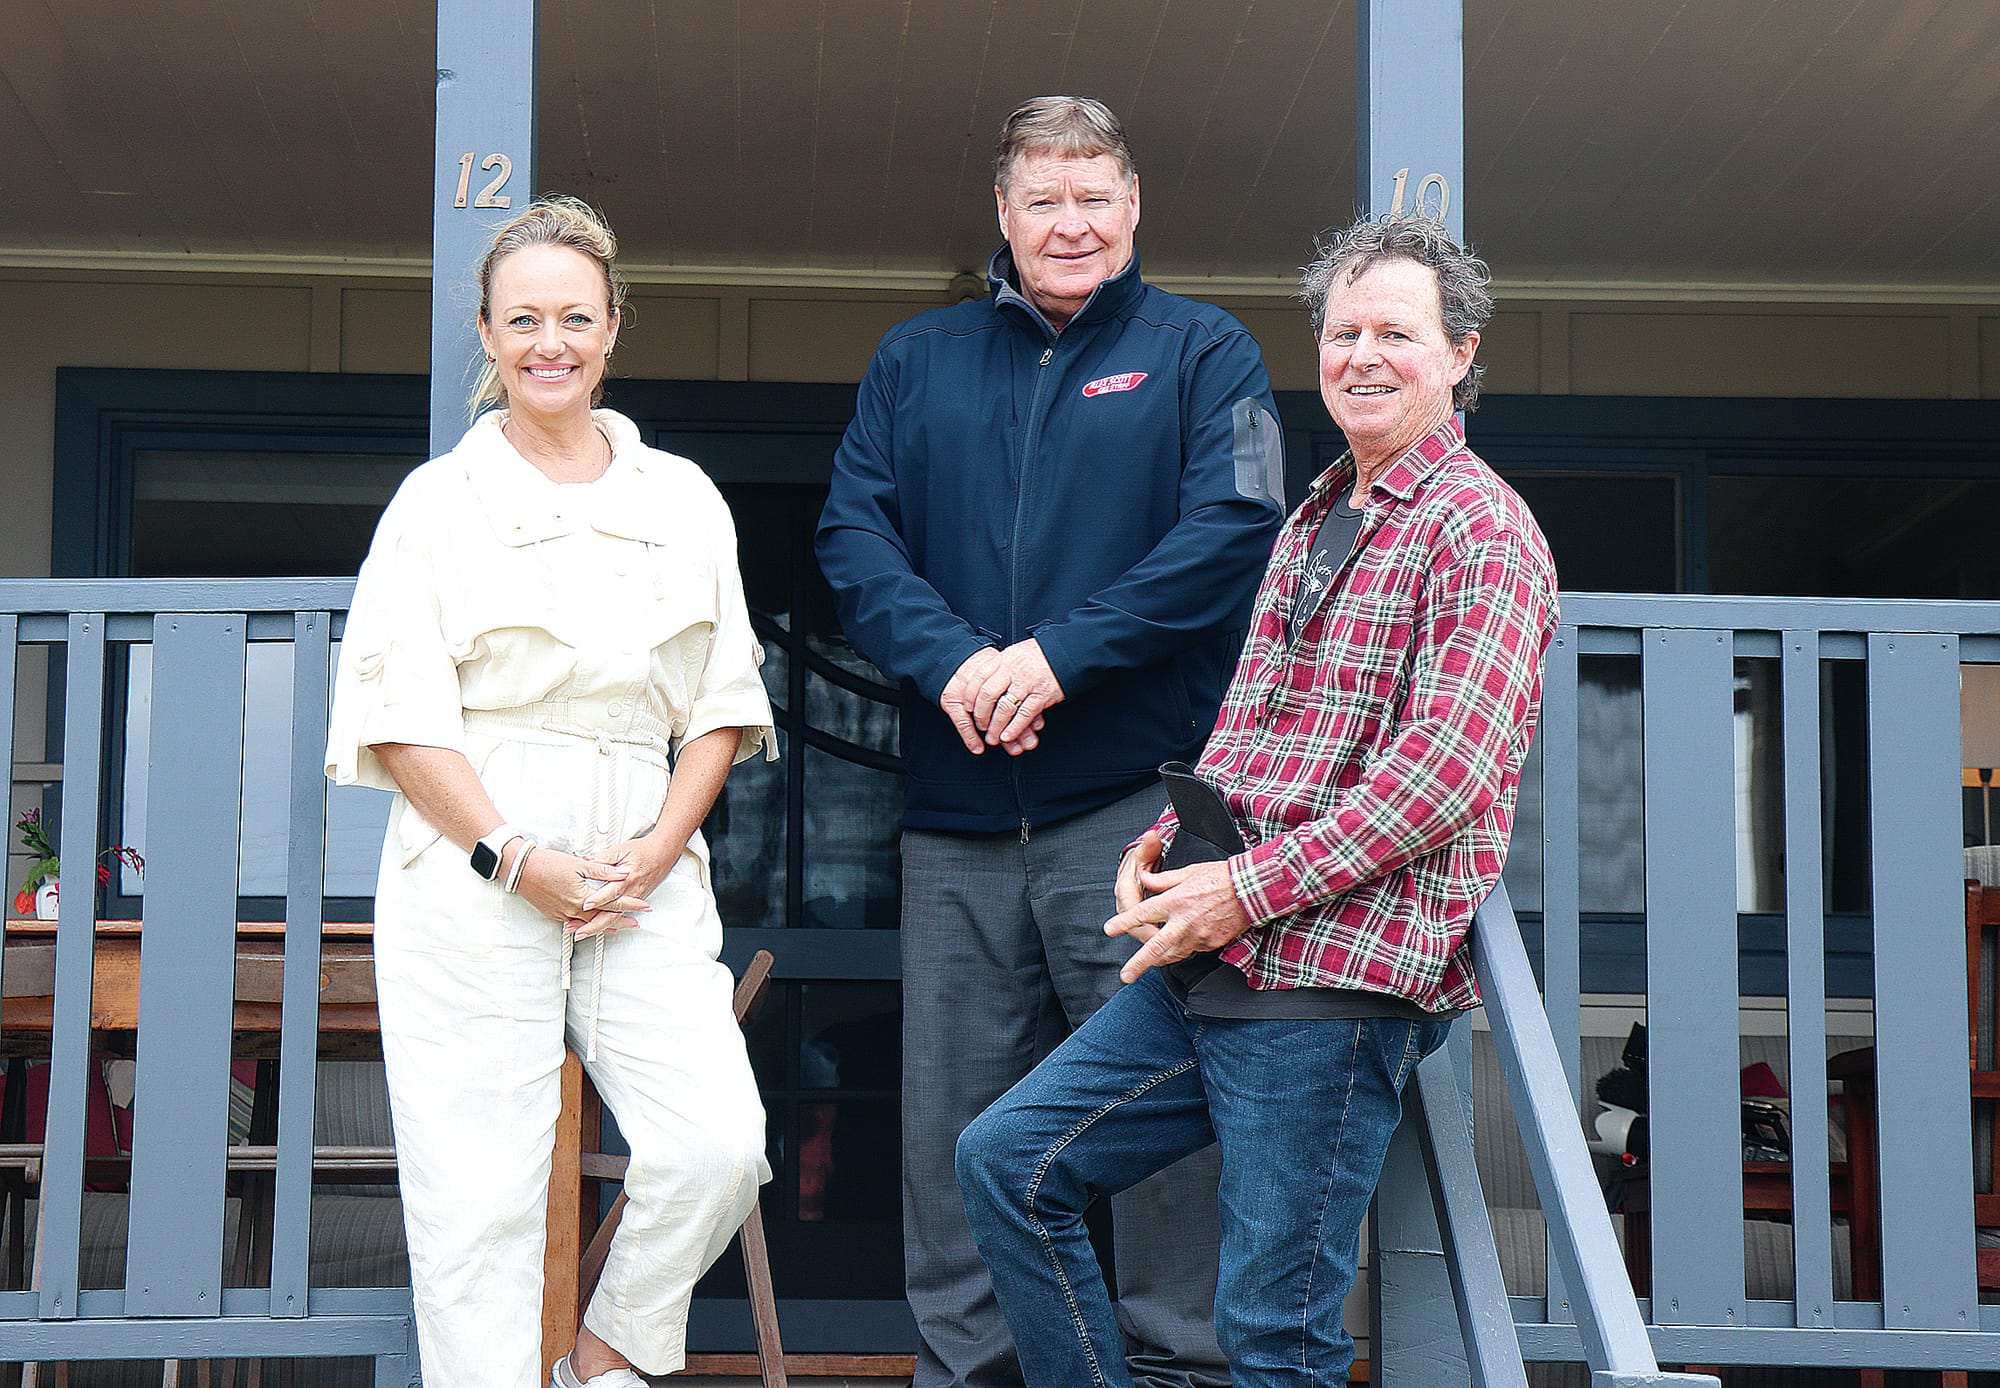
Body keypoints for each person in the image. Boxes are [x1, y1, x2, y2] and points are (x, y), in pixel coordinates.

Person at [955, 213, 1560, 1388]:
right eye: (1342, 331)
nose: (1362, 355)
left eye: (1396, 331)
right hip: (1216, 956)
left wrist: (1240, 886)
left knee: (1270, 1335)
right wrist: (1162, 847)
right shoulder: (1311, 515)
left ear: (1459, 354)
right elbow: (1242, 737)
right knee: (1006, 1162)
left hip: (1331, 984)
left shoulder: (1480, 527)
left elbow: (1446, 772)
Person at [815, 97, 1284, 1388]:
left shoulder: (1205, 354)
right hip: (955, 825)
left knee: (1159, 1114)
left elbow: (1231, 532)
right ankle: (972, 1371)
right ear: (1004, 219)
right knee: (951, 1134)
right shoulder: (918, 361)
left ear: (1133, 208)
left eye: (1094, 198)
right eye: (1044, 200)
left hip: (1131, 820)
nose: (1070, 223)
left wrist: (1054, 659)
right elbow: (854, 541)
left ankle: (1176, 1369)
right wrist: (958, 660)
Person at [325, 196, 775, 1388]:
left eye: (574, 316)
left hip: (641, 855)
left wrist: (654, 848)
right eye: (523, 318)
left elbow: (721, 704)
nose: (550, 342)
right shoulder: (436, 505)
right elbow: (400, 719)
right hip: (476, 857)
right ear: (485, 332)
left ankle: (607, 1352)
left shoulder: (682, 498)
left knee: (717, 1140)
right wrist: (515, 855)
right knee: (478, 1200)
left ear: (613, 328)